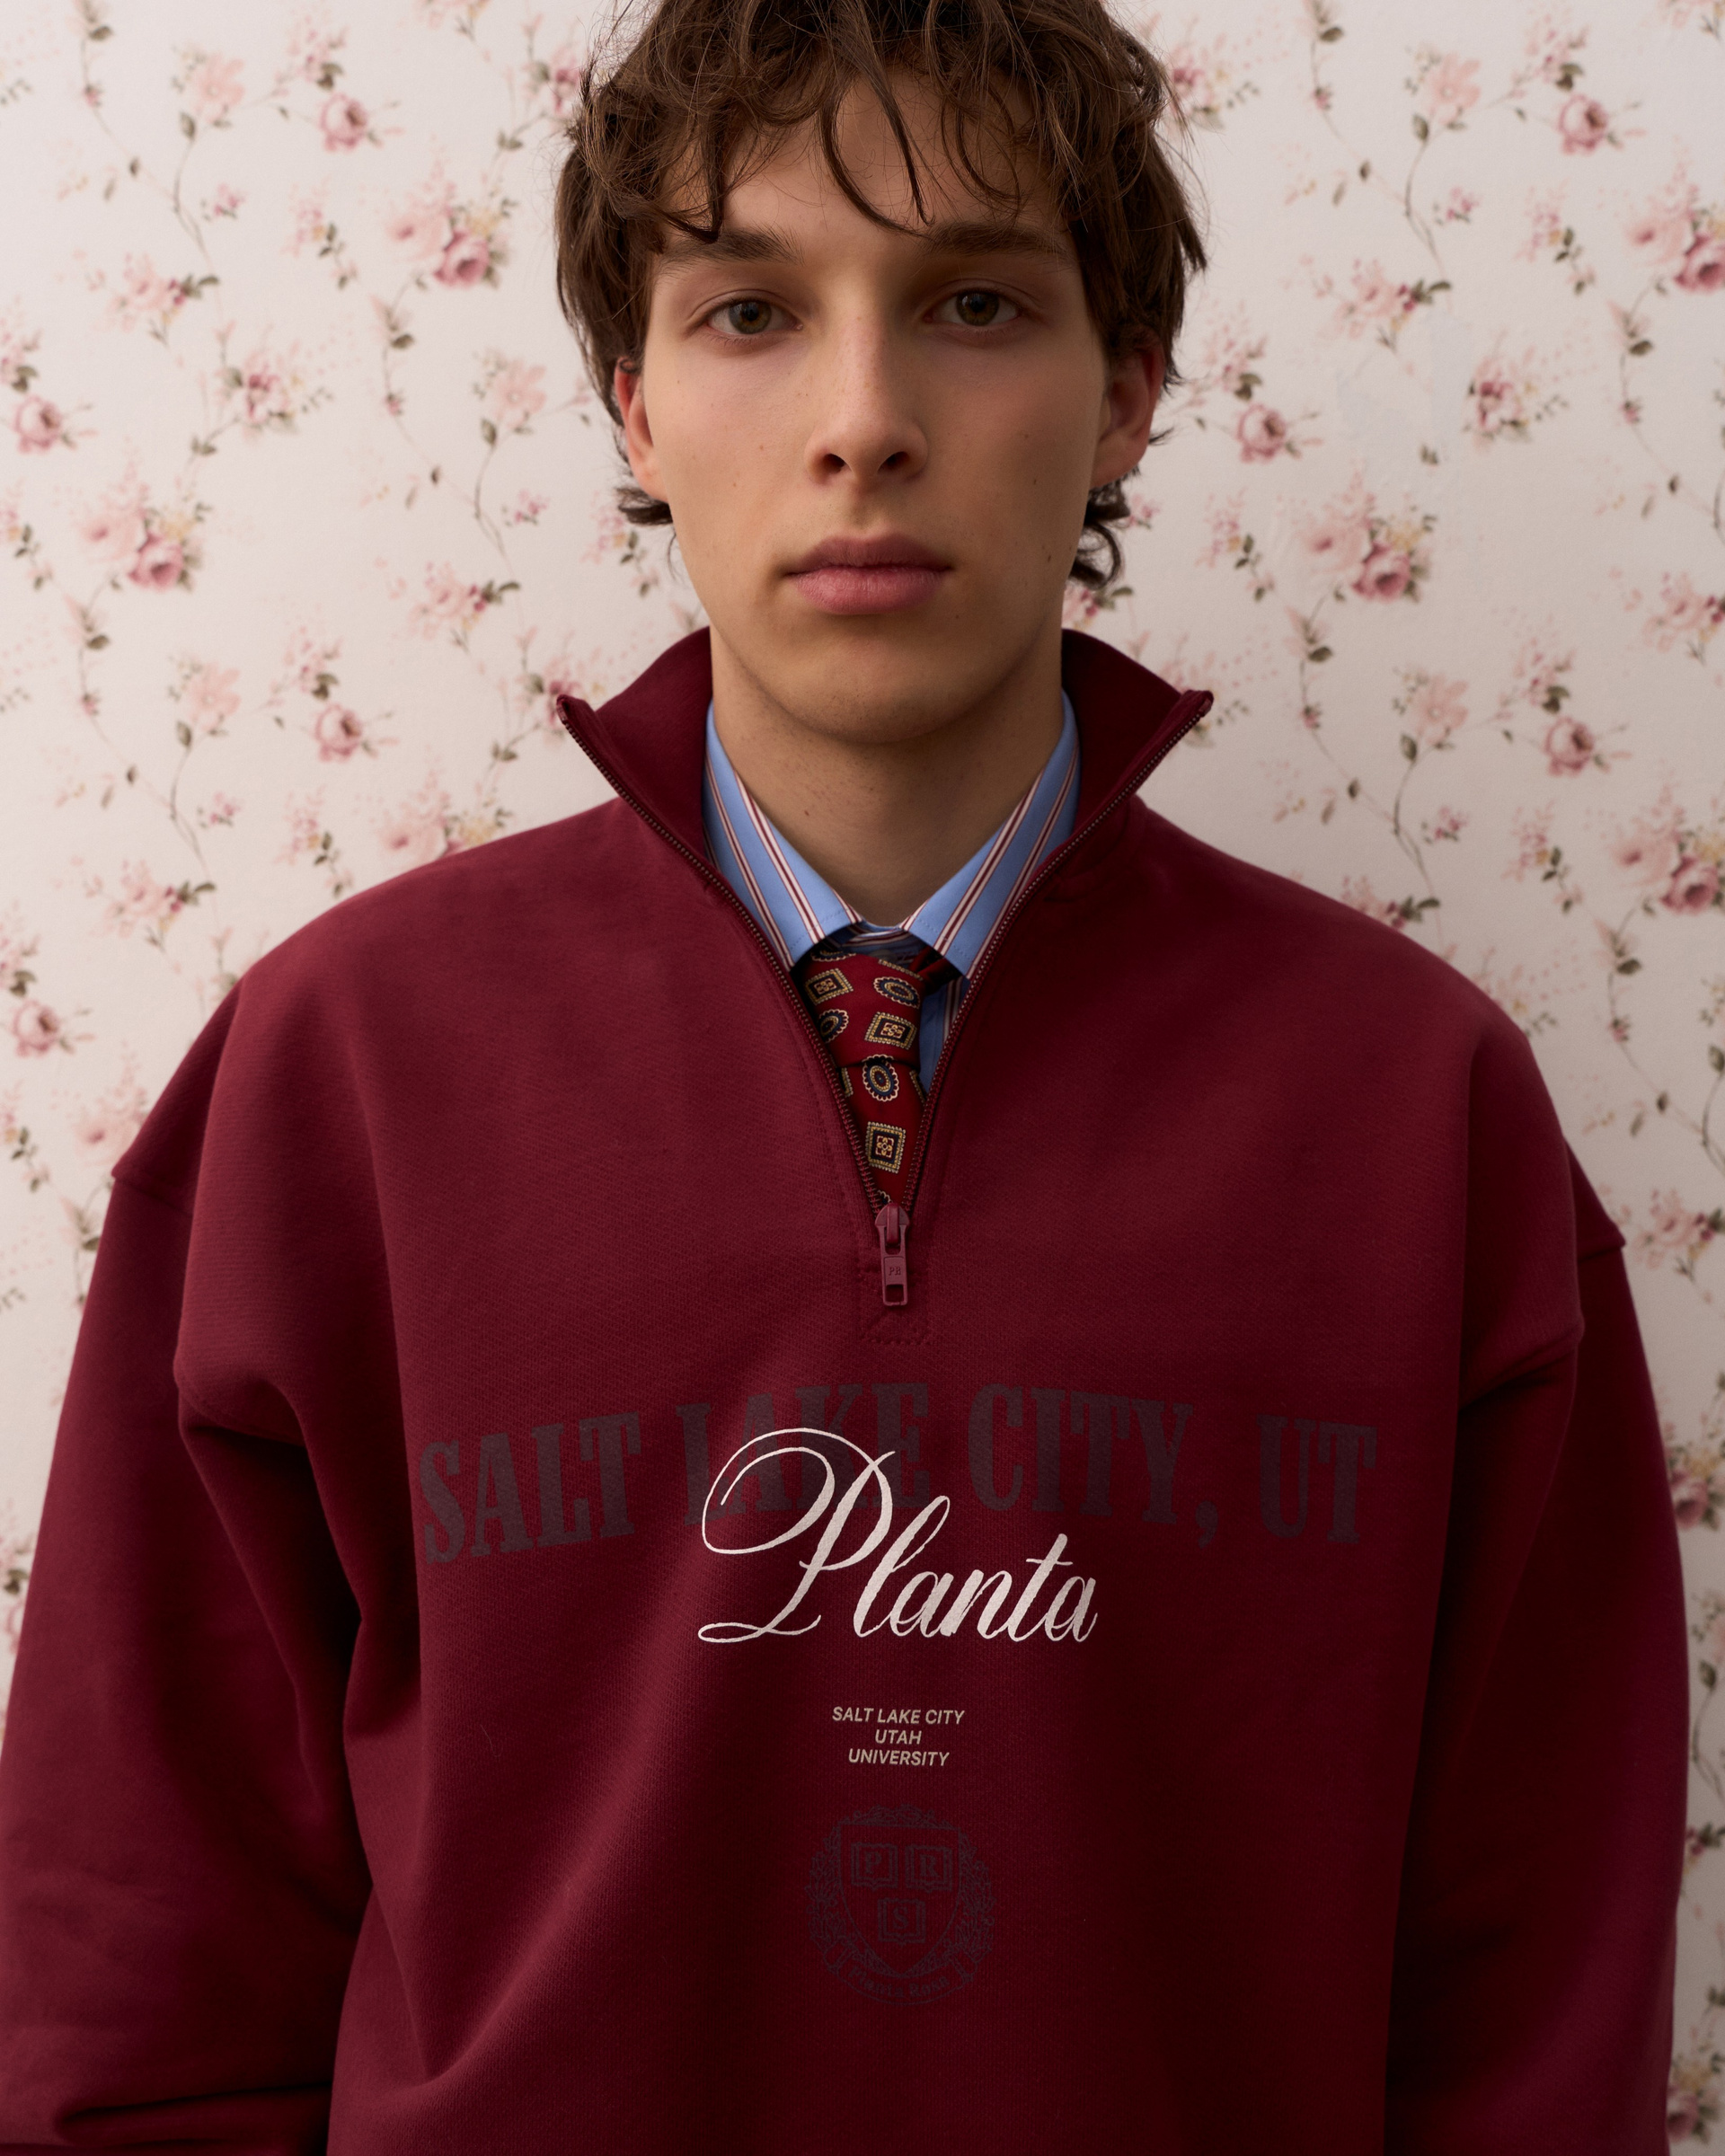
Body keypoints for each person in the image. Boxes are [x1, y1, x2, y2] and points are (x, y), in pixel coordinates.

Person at [0, 0, 1688, 2144]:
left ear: (1128, 388)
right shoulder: (332, 1073)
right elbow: (136, 1957)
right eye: (751, 311)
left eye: (976, 303)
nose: (864, 421)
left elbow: (1536, 2000)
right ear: (634, 403)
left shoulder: (1420, 1111)